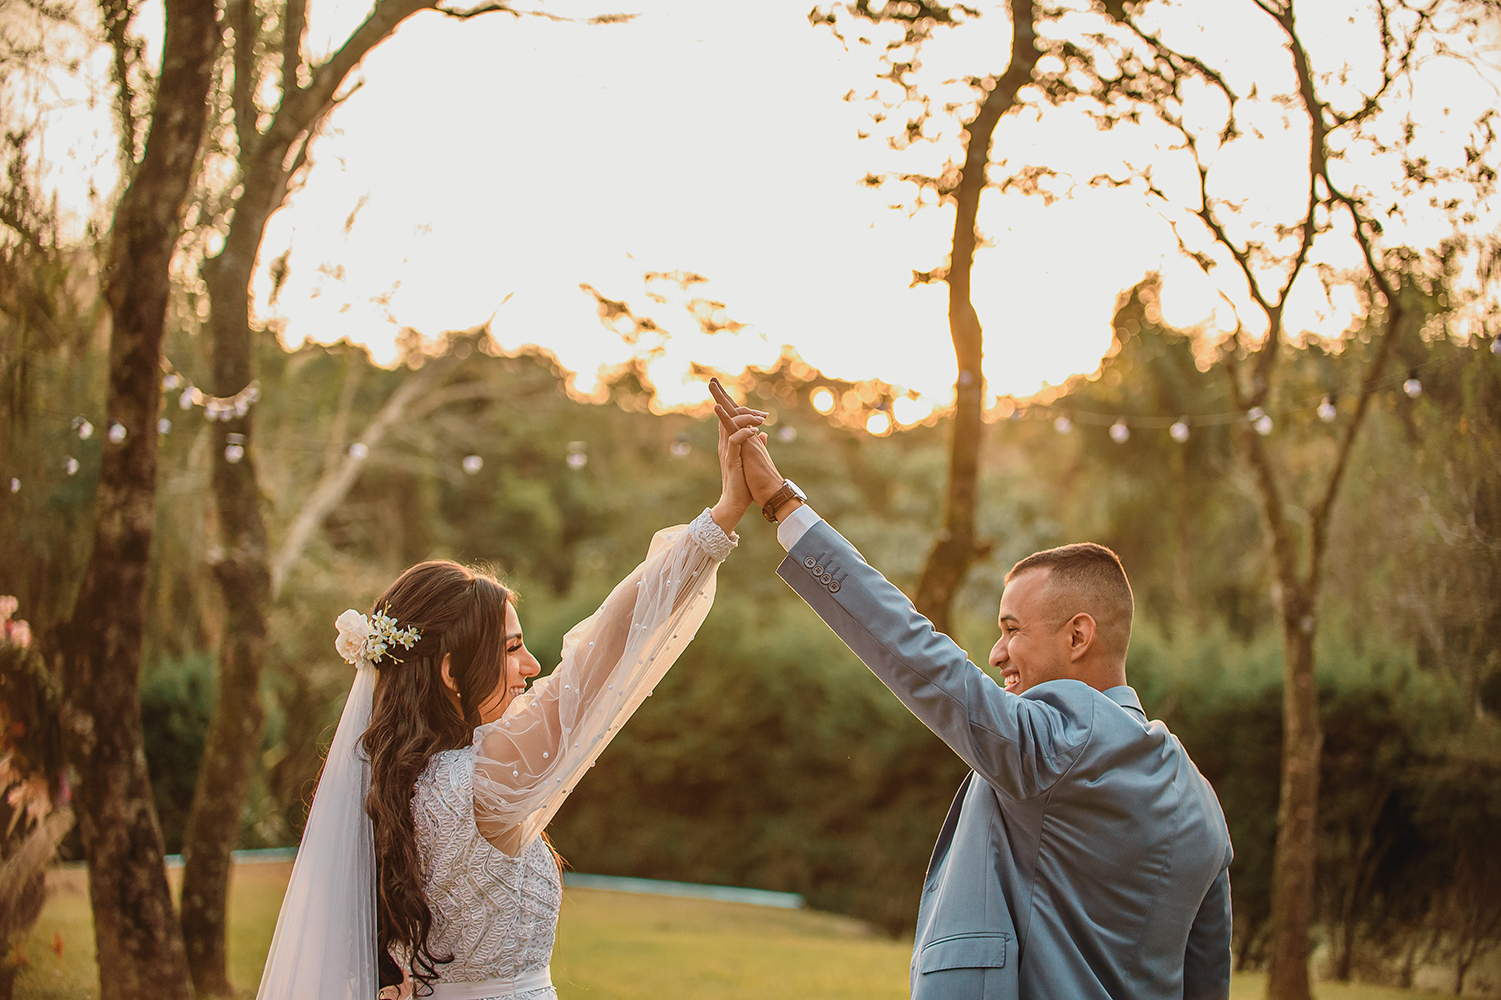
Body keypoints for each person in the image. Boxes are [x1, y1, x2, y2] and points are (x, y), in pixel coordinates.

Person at [717, 398, 1233, 1000]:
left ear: (1078, 635)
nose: (996, 654)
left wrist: (782, 504)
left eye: (1013, 630)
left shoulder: (1056, 744)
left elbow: (921, 655)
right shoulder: (1204, 809)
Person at [254, 408, 770, 1000]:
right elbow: (601, 653)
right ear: (451, 671)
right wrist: (722, 517)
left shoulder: (385, 780)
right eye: (512, 649)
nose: (533, 667)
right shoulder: (480, 777)